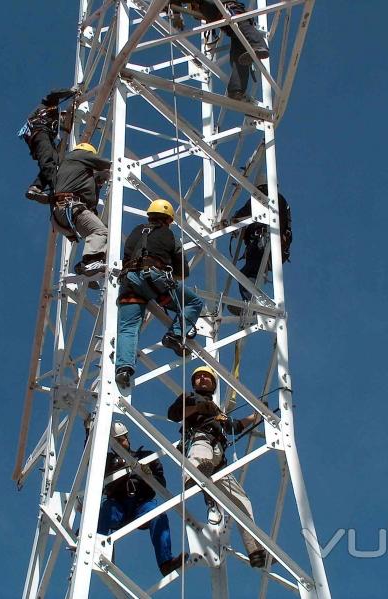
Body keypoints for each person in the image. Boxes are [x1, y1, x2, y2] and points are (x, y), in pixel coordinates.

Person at [167, 366, 267, 568]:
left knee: (242, 502)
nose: (203, 379)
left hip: (219, 459)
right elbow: (174, 414)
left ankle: (254, 548)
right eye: (199, 377)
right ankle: (192, 477)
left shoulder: (218, 411)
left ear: (213, 384)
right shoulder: (188, 398)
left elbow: (234, 426)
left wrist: (255, 416)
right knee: (201, 452)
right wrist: (198, 408)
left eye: (207, 377)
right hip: (200, 440)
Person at [114, 199, 204, 389]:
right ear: (168, 220)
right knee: (193, 303)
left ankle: (123, 369)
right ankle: (175, 335)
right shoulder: (169, 235)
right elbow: (183, 272)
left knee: (128, 328)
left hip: (129, 282)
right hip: (154, 278)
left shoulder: (135, 232)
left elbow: (128, 256)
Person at [99, 422, 185, 576]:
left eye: (121, 440)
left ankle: (166, 562)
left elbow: (161, 483)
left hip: (142, 505)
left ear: (127, 438)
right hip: (118, 505)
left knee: (158, 514)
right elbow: (90, 460)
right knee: (105, 511)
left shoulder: (146, 456)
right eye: (116, 442)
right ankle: (97, 550)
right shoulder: (107, 461)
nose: (120, 444)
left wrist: (149, 476)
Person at [230, 174, 292, 312]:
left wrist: (231, 221)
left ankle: (252, 303)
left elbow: (240, 215)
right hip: (277, 247)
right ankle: (253, 302)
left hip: (262, 244)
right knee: (252, 272)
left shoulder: (261, 198)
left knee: (247, 273)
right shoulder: (281, 201)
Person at [51, 142, 112, 277]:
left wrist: (99, 180)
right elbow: (104, 164)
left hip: (61, 215)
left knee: (101, 235)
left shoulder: (72, 168)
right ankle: (90, 262)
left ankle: (87, 265)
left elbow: (90, 180)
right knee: (101, 232)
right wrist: (117, 168)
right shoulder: (79, 155)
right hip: (70, 207)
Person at [189, 1, 269, 100]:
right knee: (238, 56)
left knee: (242, 25)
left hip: (233, 14)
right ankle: (236, 89)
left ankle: (259, 46)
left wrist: (176, 14)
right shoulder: (205, 9)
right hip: (230, 26)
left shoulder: (206, 5)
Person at [18, 87, 77, 203]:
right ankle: (58, 187)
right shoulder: (48, 105)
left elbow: (66, 127)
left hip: (42, 137)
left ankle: (37, 187)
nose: (63, 118)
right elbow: (54, 94)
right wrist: (71, 92)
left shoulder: (54, 125)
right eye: (63, 115)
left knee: (55, 163)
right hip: (39, 133)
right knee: (48, 161)